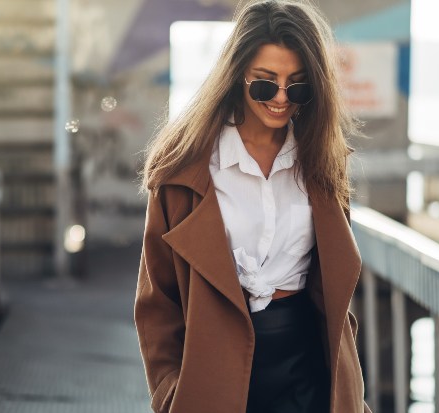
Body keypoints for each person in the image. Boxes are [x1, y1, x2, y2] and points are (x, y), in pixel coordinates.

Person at [135, 1, 371, 412]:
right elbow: (158, 303)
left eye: (297, 86)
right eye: (265, 84)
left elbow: (333, 289)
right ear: (238, 75)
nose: (281, 99)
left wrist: (349, 390)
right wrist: (170, 392)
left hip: (307, 366)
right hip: (213, 371)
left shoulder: (323, 165)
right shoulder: (185, 170)